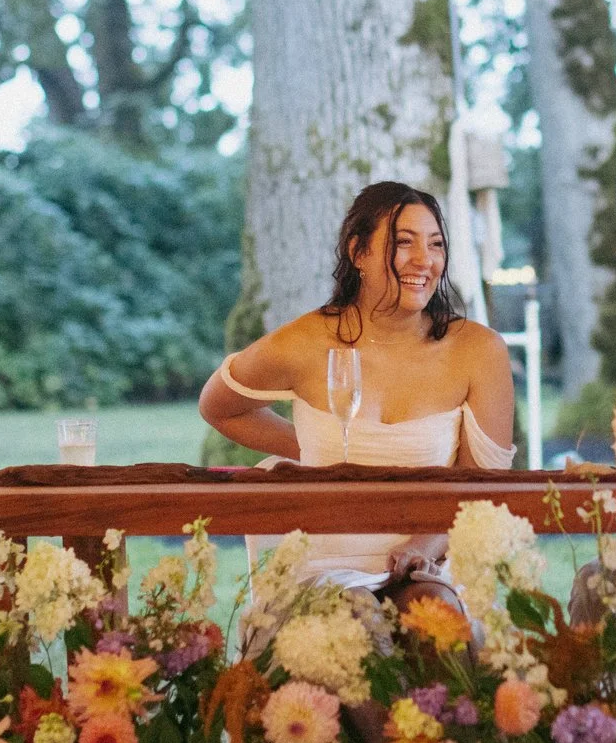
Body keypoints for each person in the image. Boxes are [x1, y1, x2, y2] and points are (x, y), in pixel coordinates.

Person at [198, 181, 515, 607]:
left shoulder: (479, 351)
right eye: (404, 242)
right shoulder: (306, 341)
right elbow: (219, 407)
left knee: (435, 623)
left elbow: (483, 489)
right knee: (351, 626)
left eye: (436, 244)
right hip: (328, 566)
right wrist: (309, 449)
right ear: (358, 252)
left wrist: (426, 543)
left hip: (431, 562)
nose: (425, 260)